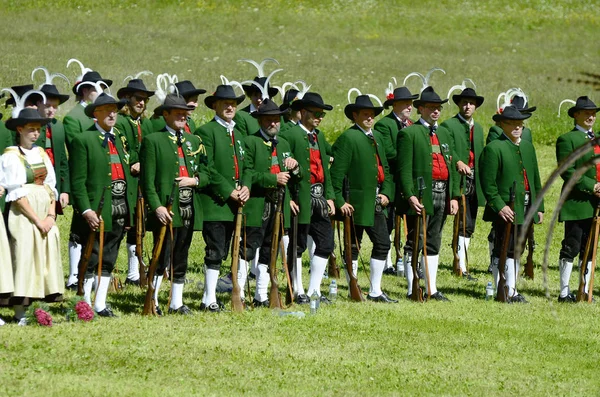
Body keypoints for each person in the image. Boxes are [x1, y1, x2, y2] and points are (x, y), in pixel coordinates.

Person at [141, 94, 209, 314]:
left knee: (182, 254)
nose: (183, 116)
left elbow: (207, 171)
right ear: (166, 114)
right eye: (177, 112)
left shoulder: (193, 141)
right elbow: (147, 180)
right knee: (161, 255)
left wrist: (196, 180)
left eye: (184, 112)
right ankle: (153, 300)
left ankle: (176, 303)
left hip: (188, 208)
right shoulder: (153, 141)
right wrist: (157, 207)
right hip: (166, 209)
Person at [69, 93, 135, 316]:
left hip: (119, 208)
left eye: (115, 109)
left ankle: (100, 303)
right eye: (107, 109)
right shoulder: (83, 140)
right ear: (95, 114)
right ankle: (85, 303)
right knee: (91, 256)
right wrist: (86, 210)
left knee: (109, 257)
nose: (112, 113)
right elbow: (77, 181)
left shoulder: (119, 139)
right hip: (96, 211)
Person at [330, 94, 397, 303]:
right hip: (355, 204)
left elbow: (385, 168)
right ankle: (354, 285)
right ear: (355, 115)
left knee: (383, 244)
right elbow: (336, 175)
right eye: (365, 114)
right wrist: (340, 202)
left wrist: (387, 192)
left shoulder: (376, 137)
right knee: (352, 246)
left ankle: (375, 290)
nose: (369, 117)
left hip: (376, 201)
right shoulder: (348, 138)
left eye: (372, 114)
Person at [1, 107, 63, 325]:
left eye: (38, 130)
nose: (36, 134)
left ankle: (34, 306)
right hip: (23, 215)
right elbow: (16, 193)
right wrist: (37, 221)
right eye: (31, 129)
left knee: (41, 259)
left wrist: (50, 216)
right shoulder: (10, 156)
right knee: (24, 258)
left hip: (44, 213)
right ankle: (18, 309)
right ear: (20, 129)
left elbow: (51, 186)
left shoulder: (41, 154)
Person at [397, 86, 459, 301]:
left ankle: (432, 288)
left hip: (442, 192)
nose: (436, 111)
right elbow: (404, 169)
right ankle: (410, 287)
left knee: (434, 239)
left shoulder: (443, 133)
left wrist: (453, 196)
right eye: (431, 107)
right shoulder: (409, 133)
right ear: (420, 109)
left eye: (438, 108)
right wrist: (410, 195)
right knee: (416, 240)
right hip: (421, 194)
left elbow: (450, 166)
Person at [238, 99, 300, 306]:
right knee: (247, 250)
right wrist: (273, 179)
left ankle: (261, 295)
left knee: (270, 250)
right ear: (260, 121)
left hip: (279, 206)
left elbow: (294, 175)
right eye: (268, 120)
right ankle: (237, 292)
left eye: (276, 119)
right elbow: (247, 174)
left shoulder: (284, 143)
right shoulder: (250, 142)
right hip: (256, 205)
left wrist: (295, 166)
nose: (273, 123)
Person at [480, 106, 543, 303]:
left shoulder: (527, 147)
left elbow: (535, 179)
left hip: (525, 206)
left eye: (520, 123)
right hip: (506, 208)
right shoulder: (493, 148)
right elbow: (488, 184)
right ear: (502, 125)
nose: (517, 127)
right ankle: (503, 288)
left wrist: (538, 207)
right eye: (512, 123)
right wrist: (500, 206)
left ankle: (512, 288)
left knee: (518, 248)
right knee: (503, 247)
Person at [194, 85, 248, 312]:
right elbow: (208, 168)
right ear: (215, 106)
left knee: (229, 249)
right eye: (225, 103)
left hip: (237, 202)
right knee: (215, 250)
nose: (230, 107)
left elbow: (247, 165)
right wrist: (228, 191)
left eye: (233, 103)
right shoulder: (206, 132)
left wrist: (245, 186)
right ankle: (208, 298)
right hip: (216, 203)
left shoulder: (238, 134)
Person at [279, 92, 336, 303]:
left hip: (320, 198)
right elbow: (283, 171)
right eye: (315, 113)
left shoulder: (319, 136)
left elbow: (325, 171)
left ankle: (314, 291)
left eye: (322, 114)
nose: (319, 117)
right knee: (298, 245)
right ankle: (298, 289)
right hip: (299, 199)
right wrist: (289, 200)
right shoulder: (289, 135)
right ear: (302, 112)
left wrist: (330, 197)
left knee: (325, 244)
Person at [63, 68, 112, 290]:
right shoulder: (74, 117)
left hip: (102, 176)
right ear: (85, 92)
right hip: (84, 174)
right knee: (78, 229)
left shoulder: (104, 118)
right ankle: (74, 274)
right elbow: (76, 147)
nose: (100, 92)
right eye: (96, 88)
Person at [555, 96, 600, 302]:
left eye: (593, 113)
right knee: (571, 246)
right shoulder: (567, 139)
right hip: (577, 203)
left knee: (590, 249)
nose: (591, 116)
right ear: (576, 115)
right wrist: (592, 186)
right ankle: (564, 292)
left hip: (596, 204)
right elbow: (568, 171)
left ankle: (585, 290)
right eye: (586, 113)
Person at [440, 87, 485, 281]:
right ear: (459, 104)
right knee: (460, 223)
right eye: (464, 103)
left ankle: (461, 263)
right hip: (456, 179)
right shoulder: (448, 126)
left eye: (471, 103)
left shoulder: (480, 128)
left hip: (474, 180)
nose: (468, 106)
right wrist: (458, 161)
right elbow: (446, 149)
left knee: (469, 224)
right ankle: (459, 263)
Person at [374, 86, 419, 275]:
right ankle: (387, 261)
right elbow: (387, 152)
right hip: (392, 180)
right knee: (388, 222)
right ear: (395, 104)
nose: (409, 106)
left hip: (408, 180)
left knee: (411, 222)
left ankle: (409, 261)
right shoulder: (384, 125)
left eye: (410, 103)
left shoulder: (412, 125)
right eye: (405, 103)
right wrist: (411, 157)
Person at [115, 78, 155, 286]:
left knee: (139, 225)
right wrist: (134, 161)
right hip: (126, 180)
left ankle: (133, 273)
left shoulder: (146, 124)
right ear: (127, 99)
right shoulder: (120, 122)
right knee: (125, 225)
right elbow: (121, 150)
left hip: (142, 181)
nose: (142, 103)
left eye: (145, 100)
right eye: (138, 99)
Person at [35, 81, 71, 219]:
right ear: (38, 103)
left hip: (52, 186)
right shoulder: (28, 125)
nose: (51, 110)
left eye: (55, 107)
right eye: (48, 105)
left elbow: (62, 161)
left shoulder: (58, 126)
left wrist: (64, 190)